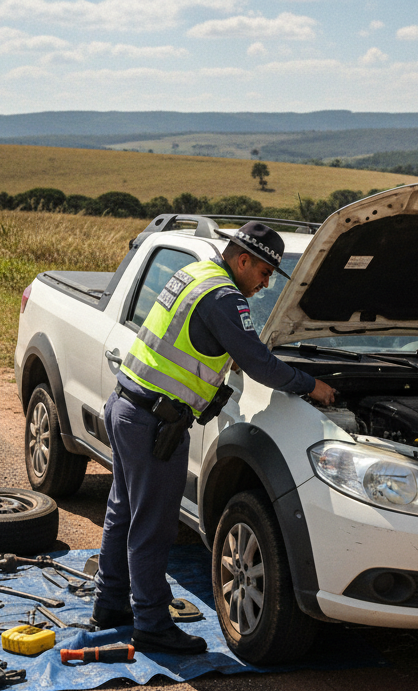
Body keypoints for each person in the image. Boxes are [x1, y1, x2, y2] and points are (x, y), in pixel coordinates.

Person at [93, 221, 337, 654]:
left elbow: (200, 339)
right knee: (152, 526)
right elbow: (259, 363)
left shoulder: (197, 274)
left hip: (127, 405)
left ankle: (109, 605)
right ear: (243, 260)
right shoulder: (226, 297)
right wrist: (309, 385)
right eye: (263, 274)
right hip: (155, 422)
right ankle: (150, 623)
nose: (264, 286)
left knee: (124, 512)